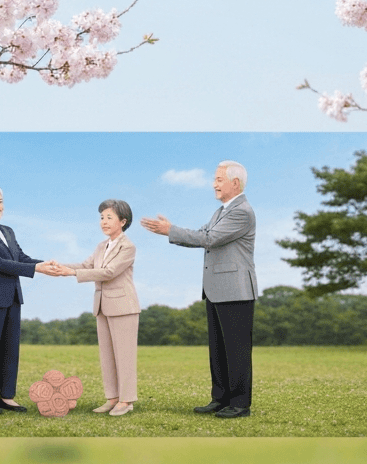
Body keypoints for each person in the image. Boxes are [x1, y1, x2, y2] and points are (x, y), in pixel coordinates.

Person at [141, 161, 256, 418]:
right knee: (218, 348)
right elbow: (200, 233)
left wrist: (170, 230)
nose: (214, 184)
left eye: (218, 179)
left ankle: (239, 404)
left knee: (236, 350)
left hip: (236, 290)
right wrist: (171, 232)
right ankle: (220, 398)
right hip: (216, 289)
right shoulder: (220, 212)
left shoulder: (242, 212)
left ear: (234, 183)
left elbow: (209, 239)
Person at [0, 184, 60, 415]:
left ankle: (7, 397)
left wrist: (45, 265)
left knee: (10, 350)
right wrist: (36, 268)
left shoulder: (7, 231)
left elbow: (20, 257)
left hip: (12, 297)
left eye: (0, 201)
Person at [49, 199, 140, 416]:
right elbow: (86, 266)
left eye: (109, 217)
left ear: (123, 221)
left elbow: (109, 272)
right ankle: (112, 398)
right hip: (102, 306)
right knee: (107, 356)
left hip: (123, 306)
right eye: (101, 217)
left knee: (124, 357)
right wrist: (62, 267)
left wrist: (72, 273)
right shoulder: (101, 246)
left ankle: (126, 401)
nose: (104, 222)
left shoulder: (128, 247)